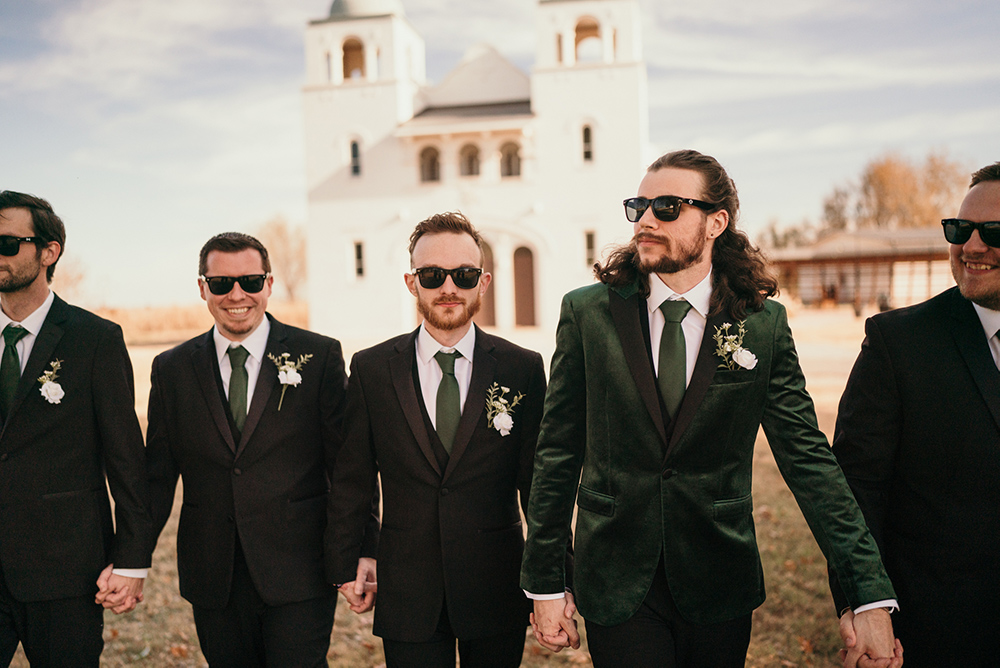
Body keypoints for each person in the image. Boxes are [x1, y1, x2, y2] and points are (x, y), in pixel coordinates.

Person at [520, 150, 903, 668]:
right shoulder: (587, 313)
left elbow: (809, 461)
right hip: (615, 575)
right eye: (639, 206)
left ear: (716, 222)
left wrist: (868, 594)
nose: (646, 220)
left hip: (719, 575)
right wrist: (547, 581)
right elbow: (557, 452)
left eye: (667, 207)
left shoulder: (762, 325)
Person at [326, 212, 548, 667]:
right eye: (432, 275)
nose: (449, 287)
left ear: (483, 282)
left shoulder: (522, 368)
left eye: (463, 275)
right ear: (412, 283)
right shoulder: (371, 369)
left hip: (496, 583)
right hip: (408, 589)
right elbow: (353, 476)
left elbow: (540, 486)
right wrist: (352, 557)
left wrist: (552, 578)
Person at [145, 232, 372, 666]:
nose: (237, 295)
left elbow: (349, 466)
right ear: (202, 288)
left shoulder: (318, 355)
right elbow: (157, 475)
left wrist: (364, 547)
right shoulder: (172, 369)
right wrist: (131, 561)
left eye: (250, 282)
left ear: (268, 284)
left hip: (301, 569)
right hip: (213, 574)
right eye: (221, 283)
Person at [830, 161, 1000, 665]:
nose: (971, 246)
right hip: (936, 637)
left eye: (993, 232)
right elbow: (855, 490)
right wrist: (867, 604)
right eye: (960, 229)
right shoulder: (897, 344)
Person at [0, 191, 152, 666]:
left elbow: (127, 460)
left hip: (64, 570)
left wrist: (131, 561)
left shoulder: (95, 339)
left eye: (7, 243)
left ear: (49, 252)